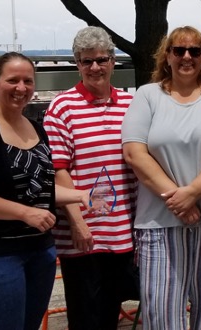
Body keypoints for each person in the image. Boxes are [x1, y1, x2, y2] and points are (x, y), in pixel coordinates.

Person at [0, 52, 91, 330]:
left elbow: (38, 189)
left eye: (28, 80)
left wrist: (78, 195)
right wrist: (25, 213)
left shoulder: (36, 128)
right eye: (12, 80)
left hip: (39, 252)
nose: (21, 88)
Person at [121, 26, 201, 330]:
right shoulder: (147, 96)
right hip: (159, 220)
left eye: (195, 51)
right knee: (162, 311)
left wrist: (193, 192)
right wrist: (178, 199)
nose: (187, 57)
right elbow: (134, 153)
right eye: (179, 50)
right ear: (167, 57)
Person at [43, 27, 138, 329]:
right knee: (86, 316)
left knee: (111, 309)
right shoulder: (62, 107)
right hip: (83, 234)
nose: (94, 67)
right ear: (77, 64)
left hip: (123, 229)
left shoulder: (130, 104)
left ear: (113, 62)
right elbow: (59, 170)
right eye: (87, 61)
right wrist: (77, 222)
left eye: (101, 60)